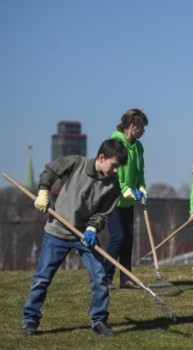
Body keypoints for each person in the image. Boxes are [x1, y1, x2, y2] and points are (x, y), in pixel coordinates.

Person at [22, 139, 128, 337]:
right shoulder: (77, 163)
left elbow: (103, 213)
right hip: (57, 232)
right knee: (42, 278)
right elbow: (51, 170)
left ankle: (99, 321)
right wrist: (44, 191)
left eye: (118, 167)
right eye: (114, 165)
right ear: (101, 157)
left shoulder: (113, 185)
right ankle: (30, 319)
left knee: (100, 277)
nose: (115, 171)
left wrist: (92, 229)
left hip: (85, 236)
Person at [104, 108, 148, 290]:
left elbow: (139, 173)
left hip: (127, 201)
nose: (144, 131)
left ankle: (126, 278)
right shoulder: (116, 144)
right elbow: (114, 177)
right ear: (133, 126)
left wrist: (142, 188)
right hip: (113, 198)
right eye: (142, 127)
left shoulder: (138, 147)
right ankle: (105, 278)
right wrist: (129, 191)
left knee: (128, 238)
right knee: (118, 237)